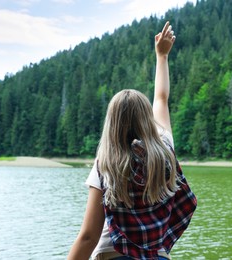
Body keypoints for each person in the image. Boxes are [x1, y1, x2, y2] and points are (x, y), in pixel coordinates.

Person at [67, 21, 197, 260]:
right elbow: (161, 98)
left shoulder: (107, 162)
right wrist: (162, 56)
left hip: (113, 254)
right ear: (147, 119)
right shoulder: (164, 149)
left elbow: (88, 236)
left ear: (112, 124)